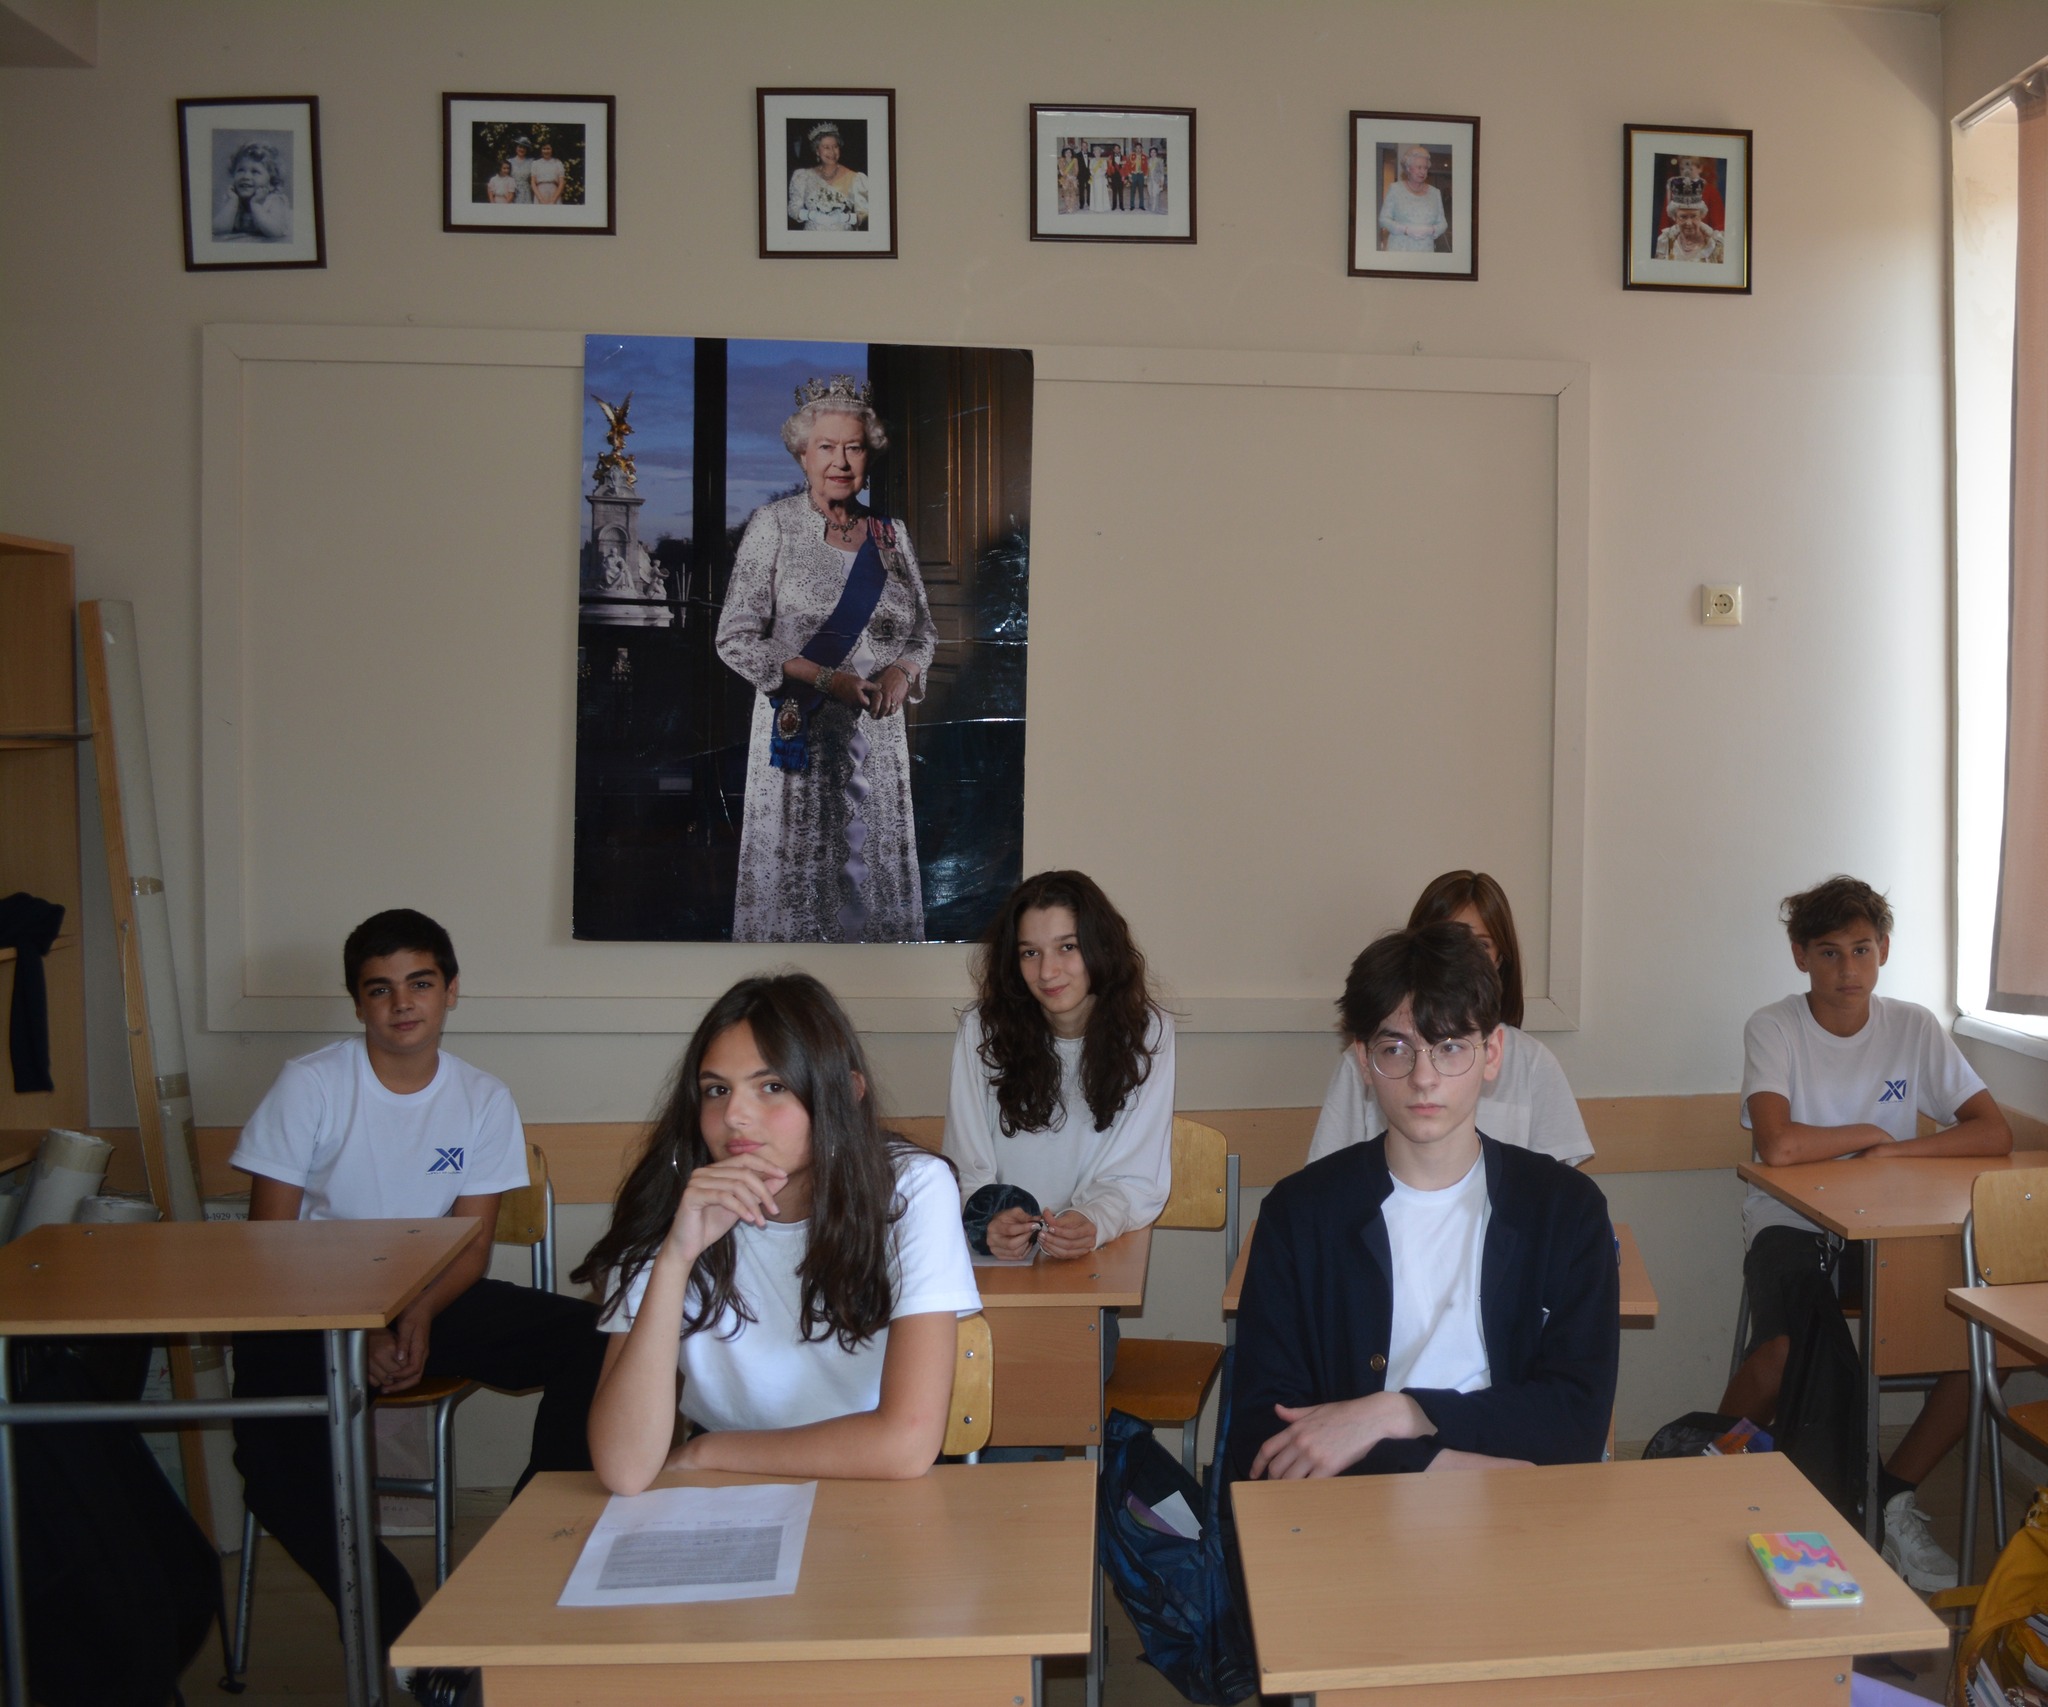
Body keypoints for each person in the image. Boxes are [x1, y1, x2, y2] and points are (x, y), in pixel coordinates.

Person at [228, 909, 608, 1660]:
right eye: (380, 988)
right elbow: (270, 1242)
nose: (402, 1003)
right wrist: (361, 1326)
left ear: (450, 991)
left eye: (420, 983)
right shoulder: (311, 1084)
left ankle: (526, 1554)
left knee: (599, 1344)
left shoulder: (482, 1097)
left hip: (431, 1293)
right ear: (358, 1003)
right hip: (307, 1305)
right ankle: (403, 1632)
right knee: (273, 1471)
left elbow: (470, 1245)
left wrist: (417, 1315)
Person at [1225, 922, 1619, 1487]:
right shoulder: (1299, 1213)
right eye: (1395, 1049)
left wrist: (1400, 1412)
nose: (1423, 1078)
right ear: (1363, 1061)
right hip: (1358, 1512)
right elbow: (1263, 1437)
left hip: (1520, 1510)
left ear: (1492, 1054)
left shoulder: (1566, 1209)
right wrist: (1434, 1465)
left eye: (1450, 1047)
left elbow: (1576, 1421)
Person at [577, 974, 981, 1492]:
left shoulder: (910, 1187)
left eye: (772, 1086)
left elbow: (904, 1445)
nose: (735, 1116)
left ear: (846, 1094)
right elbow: (625, 1468)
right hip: (725, 1492)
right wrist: (675, 1258)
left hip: (864, 1482)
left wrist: (706, 1451)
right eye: (716, 1090)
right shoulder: (674, 1202)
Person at [1721, 875, 2011, 1591]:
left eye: (1860, 949)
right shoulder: (1774, 1026)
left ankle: (1886, 1495)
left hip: (1885, 1230)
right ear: (1800, 956)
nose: (1847, 969)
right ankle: (1706, 1469)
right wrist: (1870, 1133)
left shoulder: (1912, 1025)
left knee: (1993, 1337)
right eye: (1828, 952)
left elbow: (1992, 1131)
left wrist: (1896, 1154)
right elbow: (1778, 1146)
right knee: (1789, 1354)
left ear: (1883, 949)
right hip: (1789, 1222)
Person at [715, 376, 937, 943]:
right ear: (802, 455)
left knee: (870, 885)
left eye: (854, 447)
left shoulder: (891, 534)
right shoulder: (773, 525)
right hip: (801, 734)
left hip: (878, 736)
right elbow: (736, 637)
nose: (841, 461)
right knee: (804, 894)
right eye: (827, 447)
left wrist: (902, 670)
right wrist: (826, 679)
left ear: (869, 455)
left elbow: (923, 631)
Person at [944, 869, 1174, 1266]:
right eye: (1030, 953)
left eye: (1067, 947)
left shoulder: (1148, 1032)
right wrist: (989, 1223)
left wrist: (1093, 1219)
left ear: (1100, 948)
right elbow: (967, 1169)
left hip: (1093, 1256)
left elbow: (1136, 1178)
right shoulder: (981, 1028)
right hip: (997, 1262)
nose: (1047, 972)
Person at [1308, 871, 1593, 1168]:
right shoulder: (1363, 1061)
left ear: (1500, 959)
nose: (1423, 1079)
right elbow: (1330, 1172)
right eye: (1443, 943)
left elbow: (1552, 1181)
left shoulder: (1532, 1061)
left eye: (1480, 946)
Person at [787, 120, 869, 231]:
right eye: (826, 147)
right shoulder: (803, 176)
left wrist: (847, 218)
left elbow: (864, 212)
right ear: (817, 151)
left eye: (835, 146)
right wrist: (811, 215)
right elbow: (793, 209)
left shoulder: (855, 177)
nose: (832, 152)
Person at [213, 140, 290, 241]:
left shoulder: (274, 200)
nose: (246, 176)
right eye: (240, 170)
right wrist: (233, 202)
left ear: (271, 183)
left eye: (255, 172)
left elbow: (276, 232)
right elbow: (217, 229)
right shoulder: (232, 197)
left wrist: (256, 205)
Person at [1378, 143, 1447, 252]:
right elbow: (1383, 219)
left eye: (1425, 168)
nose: (1423, 172)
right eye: (1419, 167)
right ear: (1408, 168)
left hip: (1425, 251)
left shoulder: (1435, 193)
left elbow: (1443, 224)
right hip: (1399, 249)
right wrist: (1406, 230)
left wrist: (1431, 230)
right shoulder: (1395, 189)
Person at [1653, 176, 1723, 262]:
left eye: (1693, 216)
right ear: (1674, 217)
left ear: (1701, 215)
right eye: (1683, 217)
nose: (1689, 223)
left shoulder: (1714, 244)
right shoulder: (1665, 241)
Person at [528, 139, 565, 205]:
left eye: (548, 149)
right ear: (541, 150)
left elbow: (561, 183)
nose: (546, 151)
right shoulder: (535, 163)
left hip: (554, 192)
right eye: (544, 149)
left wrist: (554, 200)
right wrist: (540, 199)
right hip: (539, 193)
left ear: (552, 150)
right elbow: (533, 182)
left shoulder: (558, 163)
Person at [507, 136, 535, 203]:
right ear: (516, 148)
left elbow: (534, 179)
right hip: (512, 192)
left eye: (524, 148)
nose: (522, 149)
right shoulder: (509, 162)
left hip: (526, 192)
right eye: (520, 147)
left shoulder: (531, 162)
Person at [1057, 146, 1080, 215]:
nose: (1068, 154)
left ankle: (1072, 207)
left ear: (1071, 153)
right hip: (1065, 179)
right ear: (1064, 153)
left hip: (1073, 179)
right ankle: (1068, 207)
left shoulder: (1075, 160)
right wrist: (1068, 176)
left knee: (1073, 193)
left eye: (1069, 152)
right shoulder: (1061, 160)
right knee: (1066, 193)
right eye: (1066, 152)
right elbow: (1061, 170)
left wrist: (1073, 176)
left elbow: (1076, 169)